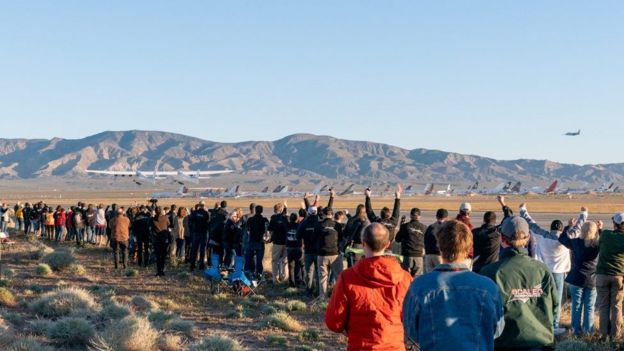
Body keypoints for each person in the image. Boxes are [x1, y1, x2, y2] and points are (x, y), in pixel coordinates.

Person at [403, 220, 504, 351]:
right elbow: (497, 330)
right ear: (469, 248)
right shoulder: (488, 287)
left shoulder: (419, 287)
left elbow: (411, 331)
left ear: (439, 246)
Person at [326, 223, 412, 351]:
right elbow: (413, 319)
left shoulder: (348, 277)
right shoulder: (405, 278)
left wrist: (347, 328)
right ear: (388, 244)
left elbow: (334, 322)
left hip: (360, 345)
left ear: (363, 243)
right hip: (394, 344)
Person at [480, 216, 558, 350]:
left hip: (506, 344)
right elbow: (554, 309)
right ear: (527, 239)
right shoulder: (542, 270)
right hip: (540, 342)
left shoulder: (491, 272)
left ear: (502, 240)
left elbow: (484, 315)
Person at [519, 203, 571, 334]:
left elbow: (531, 224)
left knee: (544, 297)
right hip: (559, 273)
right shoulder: (565, 240)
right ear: (561, 229)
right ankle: (555, 324)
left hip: (544, 271)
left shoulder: (543, 236)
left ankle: (543, 321)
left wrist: (523, 210)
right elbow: (576, 230)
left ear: (551, 228)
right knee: (557, 299)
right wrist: (582, 216)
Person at [558, 207, 599, 336]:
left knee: (576, 306)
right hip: (592, 280)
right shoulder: (597, 245)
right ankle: (588, 332)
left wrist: (568, 227)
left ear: (582, 230)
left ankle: (576, 330)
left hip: (576, 279)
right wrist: (601, 230)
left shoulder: (576, 243)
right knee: (589, 307)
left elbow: (562, 239)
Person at [595, 212, 624, 338]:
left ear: (614, 223)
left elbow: (600, 239)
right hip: (619, 276)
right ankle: (615, 335)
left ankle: (603, 334)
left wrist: (600, 228)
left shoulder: (606, 234)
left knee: (603, 306)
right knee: (616, 307)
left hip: (602, 275)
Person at [315, 207, 343, 298]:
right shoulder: (337, 225)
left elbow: (314, 238)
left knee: (323, 277)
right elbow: (341, 239)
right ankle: (339, 296)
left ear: (323, 214)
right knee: (338, 277)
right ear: (332, 214)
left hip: (322, 254)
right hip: (335, 254)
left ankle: (322, 296)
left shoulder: (319, 225)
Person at [395, 208, 427, 277]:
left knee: (406, 278)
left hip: (407, 255)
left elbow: (397, 239)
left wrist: (401, 228)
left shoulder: (405, 226)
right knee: (417, 279)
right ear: (419, 216)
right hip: (418, 256)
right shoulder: (424, 228)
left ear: (410, 215)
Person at [268, 202, 289, 284]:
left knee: (275, 261)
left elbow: (270, 229)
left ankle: (275, 278)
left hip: (277, 242)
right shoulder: (287, 218)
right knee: (285, 261)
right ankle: (285, 278)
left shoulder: (273, 218)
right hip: (286, 242)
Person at [245, 205, 269, 276]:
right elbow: (268, 229)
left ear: (255, 210)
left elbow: (247, 230)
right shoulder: (264, 220)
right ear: (262, 211)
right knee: (259, 260)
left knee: (249, 258)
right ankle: (259, 273)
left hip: (252, 241)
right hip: (260, 242)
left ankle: (248, 271)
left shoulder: (250, 219)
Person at [424, 209, 448, 273]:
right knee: (440, 274)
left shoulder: (430, 227)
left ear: (436, 217)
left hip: (428, 254)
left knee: (429, 276)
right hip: (438, 254)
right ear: (446, 217)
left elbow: (425, 239)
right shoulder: (445, 227)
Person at [189, 201, 210, 271]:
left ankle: (192, 265)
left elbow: (190, 221)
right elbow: (209, 222)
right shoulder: (206, 213)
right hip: (203, 233)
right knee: (202, 250)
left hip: (196, 232)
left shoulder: (195, 213)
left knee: (194, 249)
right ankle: (201, 265)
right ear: (204, 205)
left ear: (199, 205)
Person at [286, 213, 304, 288]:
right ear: (296, 219)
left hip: (289, 248)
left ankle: (291, 283)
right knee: (298, 265)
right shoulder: (299, 226)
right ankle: (298, 281)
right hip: (298, 248)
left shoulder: (287, 225)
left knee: (290, 266)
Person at [152, 207, 171, 276]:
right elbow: (169, 224)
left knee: (158, 256)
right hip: (164, 239)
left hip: (156, 239)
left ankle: (158, 271)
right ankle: (162, 271)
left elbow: (150, 226)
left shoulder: (153, 219)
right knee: (163, 256)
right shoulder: (165, 218)